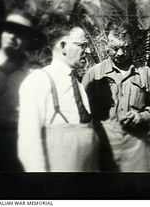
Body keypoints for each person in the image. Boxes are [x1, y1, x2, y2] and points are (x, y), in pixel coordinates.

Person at [82, 23, 150, 172]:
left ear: (131, 45)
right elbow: (82, 114)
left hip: (136, 151)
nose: (121, 53)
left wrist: (141, 117)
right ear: (106, 45)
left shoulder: (145, 73)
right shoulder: (94, 74)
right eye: (115, 48)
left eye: (126, 48)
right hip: (103, 150)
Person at [18, 24, 98, 172]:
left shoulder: (77, 82)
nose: (87, 50)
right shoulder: (39, 80)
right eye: (82, 45)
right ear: (63, 47)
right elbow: (29, 140)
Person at [0, 10, 47, 172]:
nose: (12, 36)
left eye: (19, 33)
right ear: (2, 33)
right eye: (9, 30)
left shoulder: (34, 74)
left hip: (20, 144)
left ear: (28, 41)